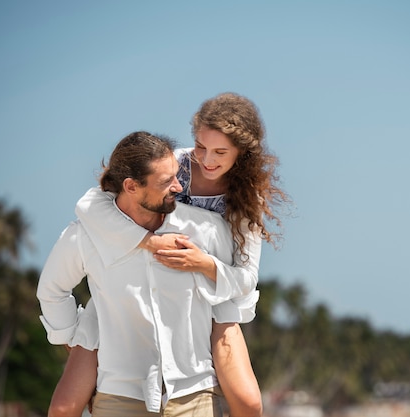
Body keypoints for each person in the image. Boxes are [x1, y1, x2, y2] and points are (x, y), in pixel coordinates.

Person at [49, 92, 290, 417]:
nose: (206, 159)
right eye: (201, 146)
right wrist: (144, 242)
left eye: (220, 152)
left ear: (241, 153)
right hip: (131, 287)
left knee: (249, 403)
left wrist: (203, 264)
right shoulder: (174, 164)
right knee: (65, 406)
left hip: (213, 298)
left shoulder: (247, 197)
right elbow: (90, 204)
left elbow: (246, 279)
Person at [37, 131, 237, 417]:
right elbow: (52, 291)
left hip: (195, 396)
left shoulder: (205, 229)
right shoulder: (86, 236)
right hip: (119, 397)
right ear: (131, 186)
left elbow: (234, 292)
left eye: (176, 175)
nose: (179, 187)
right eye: (166, 181)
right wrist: (73, 338)